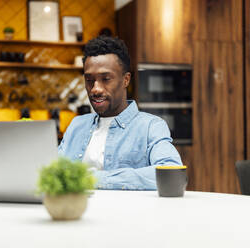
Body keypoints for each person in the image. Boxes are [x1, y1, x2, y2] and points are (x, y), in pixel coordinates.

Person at [58, 36, 182, 190]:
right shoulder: (77, 125)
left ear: (126, 80)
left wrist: (91, 179)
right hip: (73, 212)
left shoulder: (151, 126)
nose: (96, 88)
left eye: (106, 79)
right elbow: (52, 172)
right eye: (89, 80)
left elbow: (172, 173)